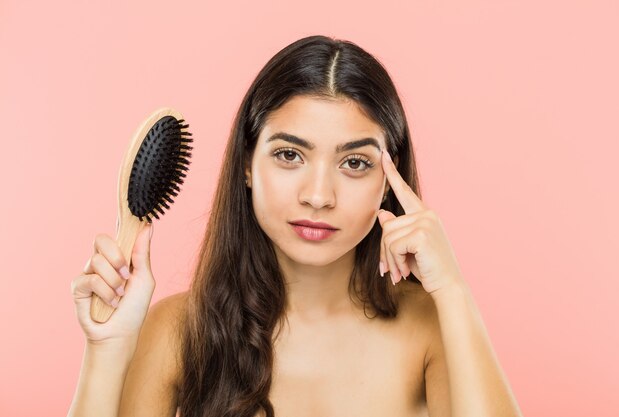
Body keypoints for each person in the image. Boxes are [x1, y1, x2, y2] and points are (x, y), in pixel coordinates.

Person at [67, 35, 524, 417]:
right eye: (290, 155)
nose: (319, 195)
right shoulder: (177, 331)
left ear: (389, 179)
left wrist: (453, 292)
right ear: (248, 163)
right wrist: (106, 349)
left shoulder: (427, 328)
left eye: (355, 162)